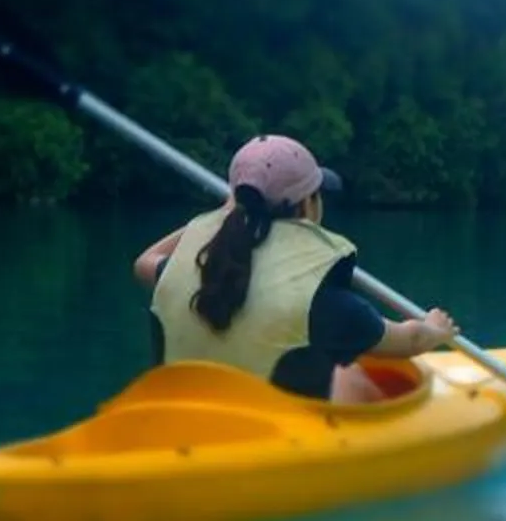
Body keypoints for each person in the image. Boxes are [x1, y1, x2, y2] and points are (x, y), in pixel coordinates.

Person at [134, 134, 456, 404]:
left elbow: (145, 261)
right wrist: (433, 328)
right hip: (271, 436)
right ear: (307, 205)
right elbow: (408, 341)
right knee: (352, 376)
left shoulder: (199, 265)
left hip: (184, 421)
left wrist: (221, 215)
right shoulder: (322, 298)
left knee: (342, 369)